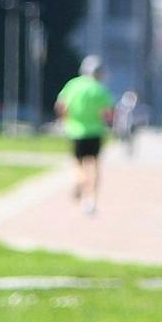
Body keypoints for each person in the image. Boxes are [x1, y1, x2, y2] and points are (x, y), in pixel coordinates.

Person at [56, 55, 115, 215]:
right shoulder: (100, 89)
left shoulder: (73, 85)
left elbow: (61, 106)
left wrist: (64, 121)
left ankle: (80, 181)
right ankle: (91, 201)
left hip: (75, 131)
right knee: (95, 166)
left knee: (77, 163)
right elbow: (108, 113)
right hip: (95, 131)